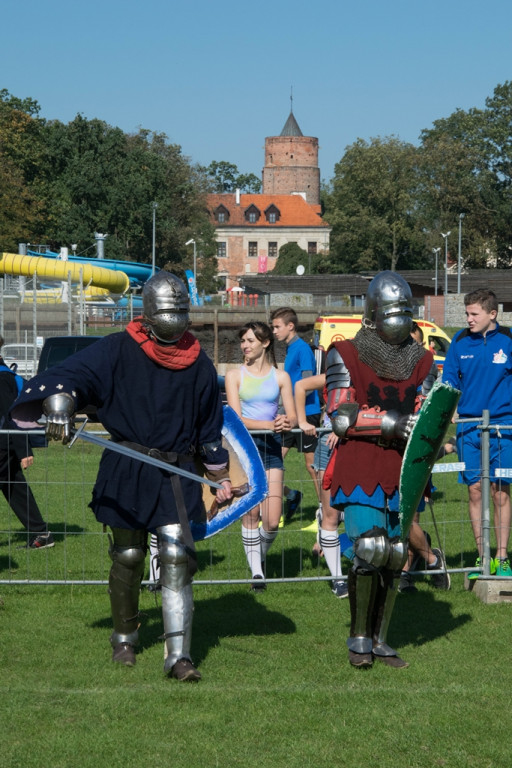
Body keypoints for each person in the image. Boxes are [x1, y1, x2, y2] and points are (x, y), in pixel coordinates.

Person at [12, 271, 232, 681]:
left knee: (176, 557)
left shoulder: (198, 363)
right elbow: (73, 376)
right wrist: (60, 404)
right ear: (148, 313)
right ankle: (124, 637)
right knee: (129, 556)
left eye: (179, 310)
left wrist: (219, 471)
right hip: (128, 465)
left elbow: (209, 426)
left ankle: (178, 655)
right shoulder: (117, 349)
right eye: (167, 310)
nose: (173, 318)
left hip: (175, 470)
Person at [324, 271, 437, 669]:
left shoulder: (423, 360)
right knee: (369, 548)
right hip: (361, 462)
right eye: (391, 311)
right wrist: (390, 422)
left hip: (402, 467)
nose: (399, 318)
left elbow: (429, 412)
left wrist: (430, 434)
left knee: (395, 553)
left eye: (405, 311)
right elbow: (341, 415)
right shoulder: (345, 353)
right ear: (372, 313)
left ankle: (381, 638)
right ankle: (359, 639)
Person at [442, 288, 512, 578]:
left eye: (474, 314)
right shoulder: (458, 341)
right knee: (474, 491)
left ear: (492, 314)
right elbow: (448, 384)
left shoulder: (508, 340)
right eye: (466, 314)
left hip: (504, 429)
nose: (468, 319)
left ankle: (502, 558)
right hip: (469, 428)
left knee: (500, 494)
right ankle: (482, 559)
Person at [225, 321, 296, 590]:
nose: (245, 346)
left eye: (250, 341)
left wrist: (286, 422)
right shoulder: (234, 375)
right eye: (243, 341)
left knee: (272, 519)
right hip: (244, 447)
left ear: (265, 343)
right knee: (251, 512)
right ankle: (257, 573)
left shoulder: (281, 377)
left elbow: (292, 415)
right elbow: (236, 419)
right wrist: (269, 424)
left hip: (272, 447)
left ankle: (259, 557)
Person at [294, 373, 347, 598]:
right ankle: (338, 579)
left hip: (357, 445)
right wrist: (303, 421)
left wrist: (343, 428)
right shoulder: (334, 374)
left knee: (356, 512)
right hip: (327, 444)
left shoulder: (368, 371)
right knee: (330, 515)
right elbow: (300, 385)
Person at [0, 337, 53, 549]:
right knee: (15, 488)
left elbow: (12, 415)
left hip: (4, 443)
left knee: (14, 486)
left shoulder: (3, 378)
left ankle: (41, 533)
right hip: (6, 443)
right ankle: (41, 533)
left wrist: (24, 451)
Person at [270, 307, 321, 518]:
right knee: (271, 463)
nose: (274, 331)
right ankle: (291, 495)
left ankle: (325, 512)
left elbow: (308, 385)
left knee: (312, 467)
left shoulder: (302, 349)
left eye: (277, 327)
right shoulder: (291, 349)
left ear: (290, 326)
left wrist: (297, 412)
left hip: (307, 414)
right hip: (291, 415)